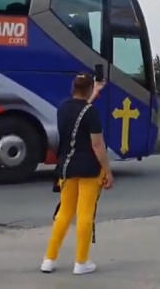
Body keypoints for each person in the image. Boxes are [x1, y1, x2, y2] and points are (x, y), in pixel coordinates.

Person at [42, 72, 112, 275]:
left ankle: (49, 259)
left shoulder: (63, 109)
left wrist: (95, 92)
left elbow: (78, 113)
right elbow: (97, 144)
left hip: (66, 168)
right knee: (85, 214)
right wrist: (107, 170)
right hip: (89, 169)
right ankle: (81, 262)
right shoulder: (92, 113)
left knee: (64, 213)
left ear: (73, 88)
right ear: (89, 88)